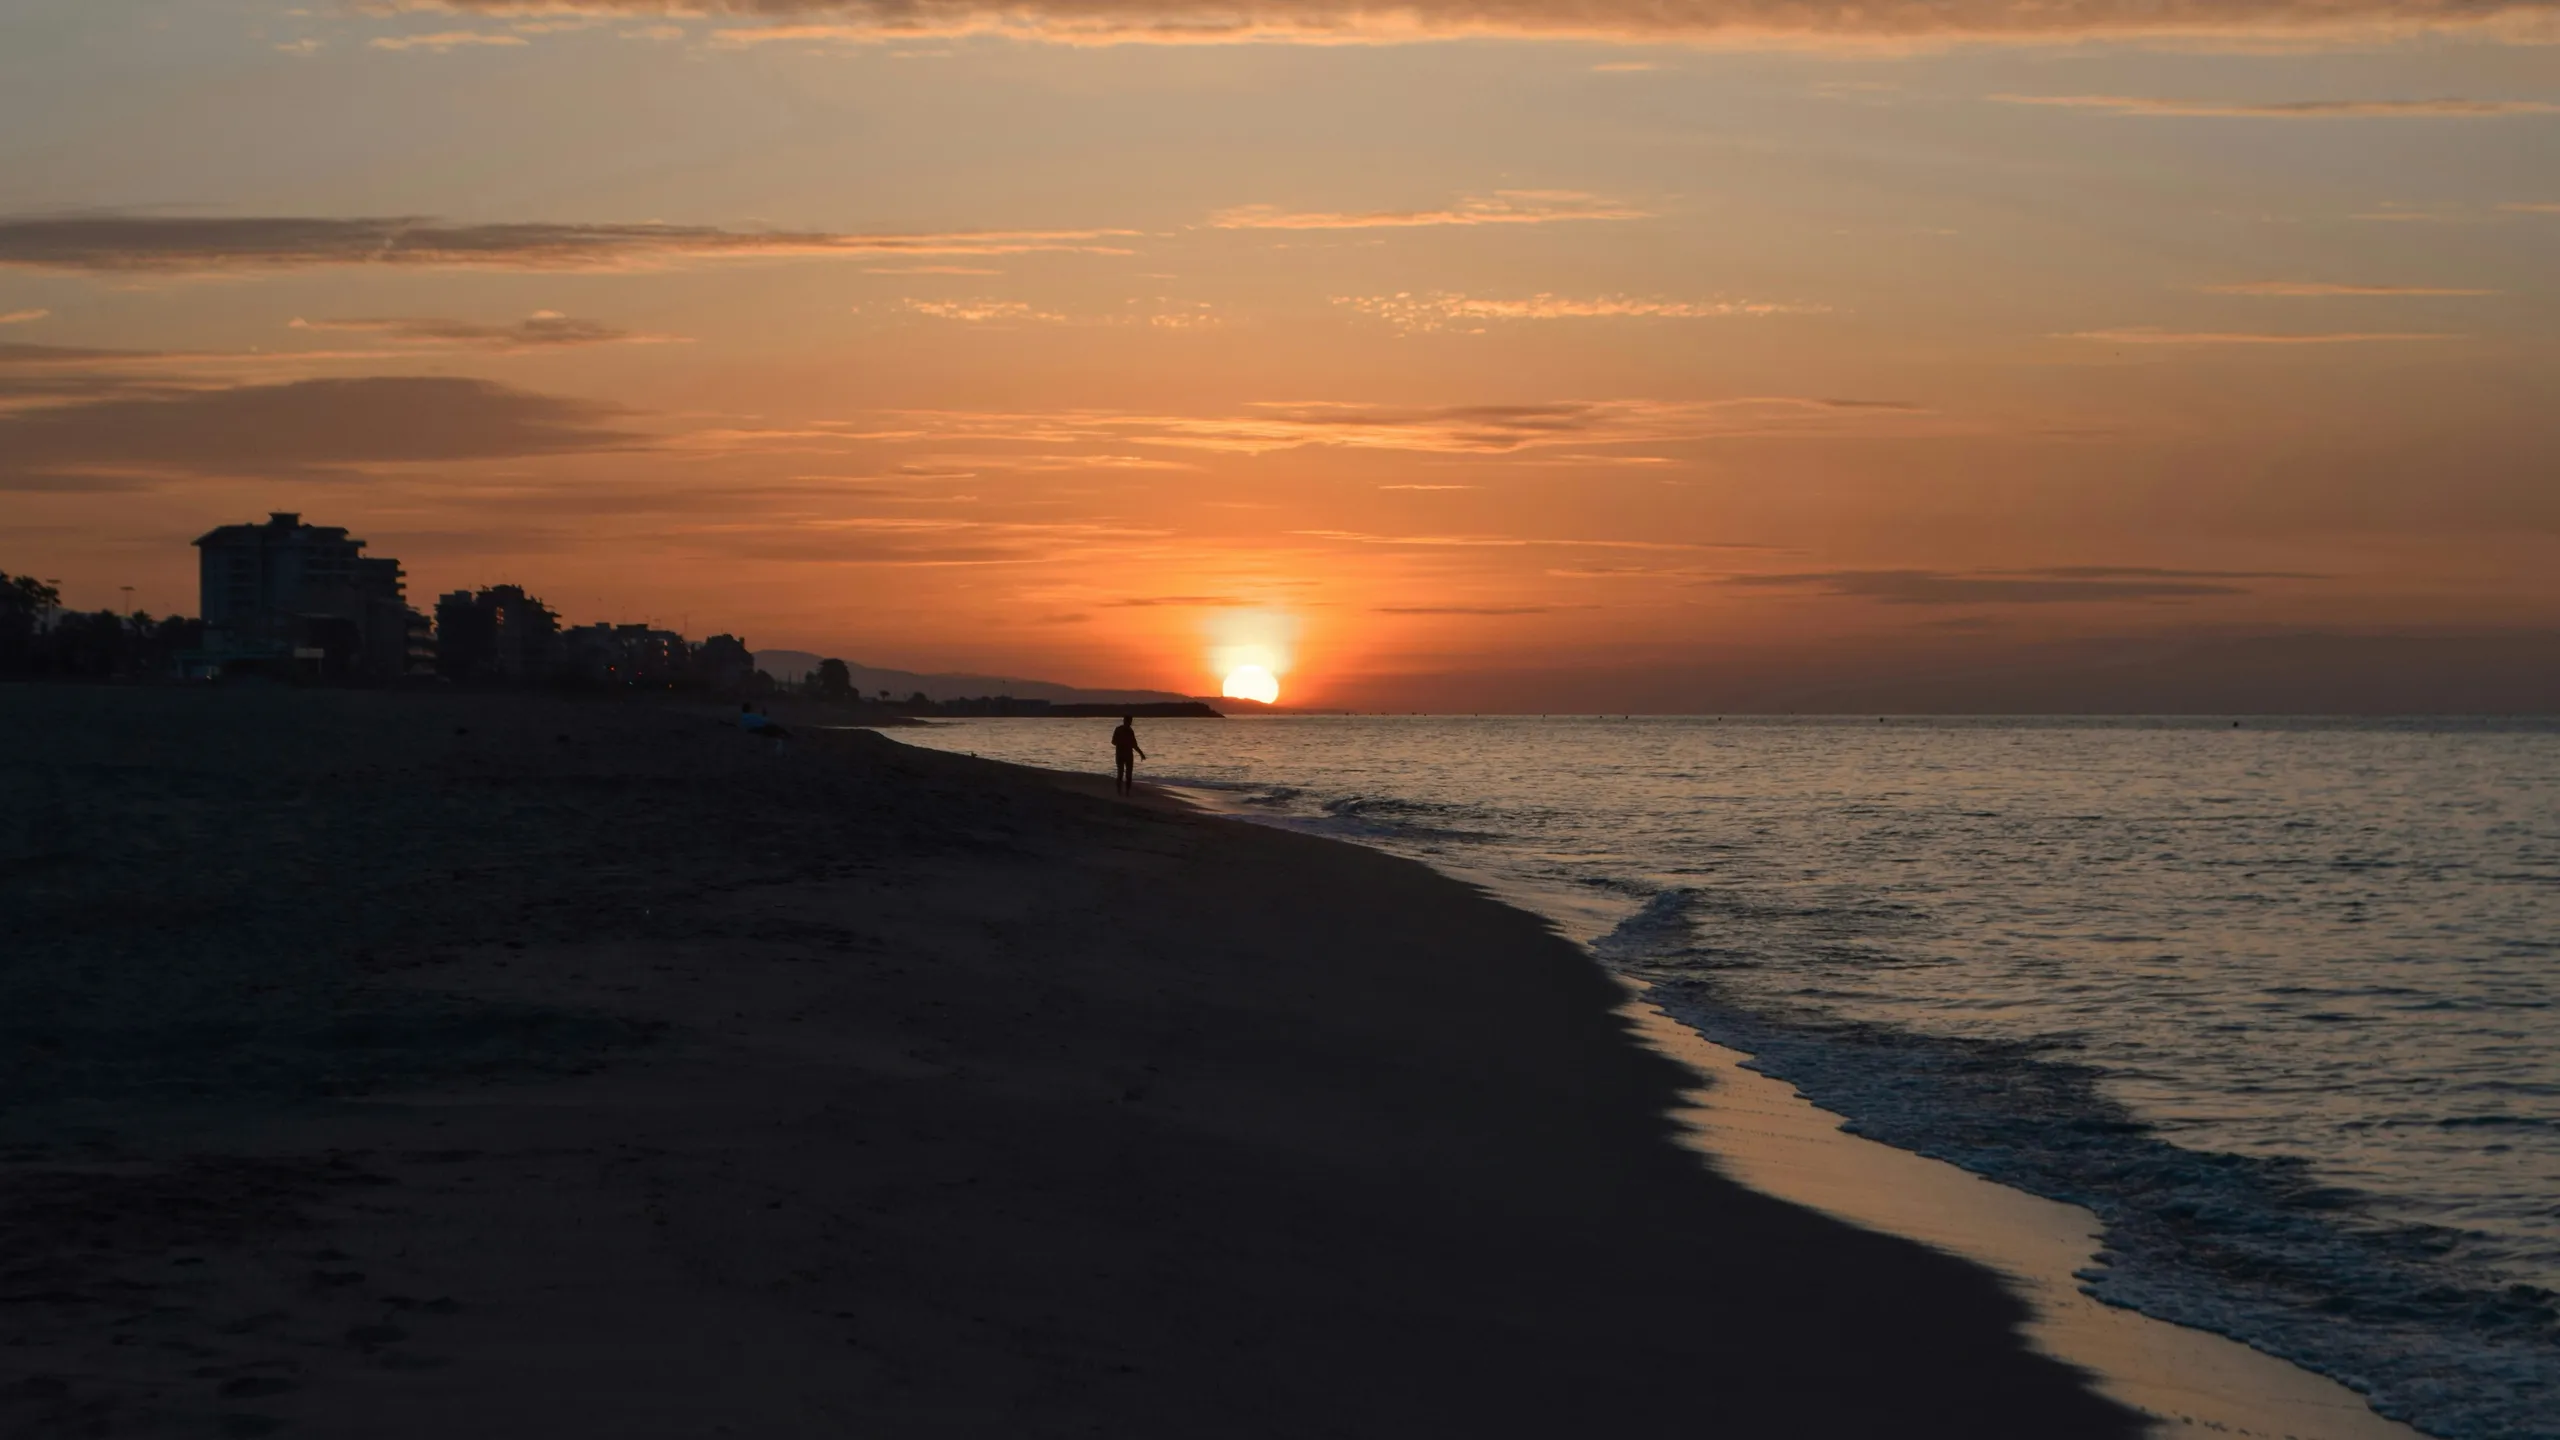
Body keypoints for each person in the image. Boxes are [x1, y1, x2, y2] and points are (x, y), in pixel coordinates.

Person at [1110, 713, 1146, 795]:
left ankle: (1127, 792)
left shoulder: (1130, 731)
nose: (1129, 723)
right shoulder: (1118, 729)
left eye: (1130, 722)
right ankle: (1119, 791)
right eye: (1128, 721)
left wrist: (1141, 754)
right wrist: (1121, 743)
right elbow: (1113, 742)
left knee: (1128, 775)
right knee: (1120, 773)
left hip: (1128, 755)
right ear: (1124, 721)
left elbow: (1134, 745)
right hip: (1121, 755)